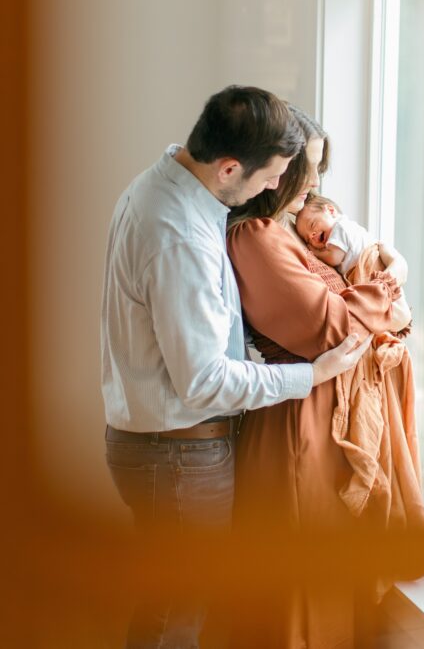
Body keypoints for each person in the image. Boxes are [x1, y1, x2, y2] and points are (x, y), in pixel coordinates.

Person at [100, 85, 370, 648]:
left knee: (170, 610)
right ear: (228, 167)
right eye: (273, 176)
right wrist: (312, 376)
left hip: (165, 448)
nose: (280, 188)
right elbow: (203, 382)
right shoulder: (180, 235)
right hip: (177, 453)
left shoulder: (169, 186)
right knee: (174, 618)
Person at [225, 104, 424, 649]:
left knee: (335, 581)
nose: (314, 181)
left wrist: (385, 268)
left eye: (318, 168)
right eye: (303, 167)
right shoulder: (256, 236)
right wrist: (389, 289)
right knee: (303, 587)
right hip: (303, 421)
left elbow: (368, 292)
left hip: (325, 416)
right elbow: (333, 329)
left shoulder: (303, 230)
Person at [294, 193, 413, 333]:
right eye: (307, 239)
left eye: (312, 225)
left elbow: (334, 257)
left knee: (387, 301)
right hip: (367, 272)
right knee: (383, 311)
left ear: (331, 211)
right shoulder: (336, 233)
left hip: (371, 265)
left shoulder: (340, 228)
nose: (312, 236)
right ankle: (395, 323)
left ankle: (399, 319)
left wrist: (313, 251)